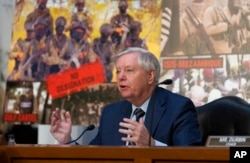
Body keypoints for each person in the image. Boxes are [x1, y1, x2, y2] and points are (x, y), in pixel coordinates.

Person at [50, 47, 201, 146]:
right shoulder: (111, 113)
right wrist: (67, 141)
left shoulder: (178, 108)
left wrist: (153, 145)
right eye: (118, 72)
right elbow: (94, 157)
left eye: (129, 71)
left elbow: (192, 158)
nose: (120, 77)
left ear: (150, 76)